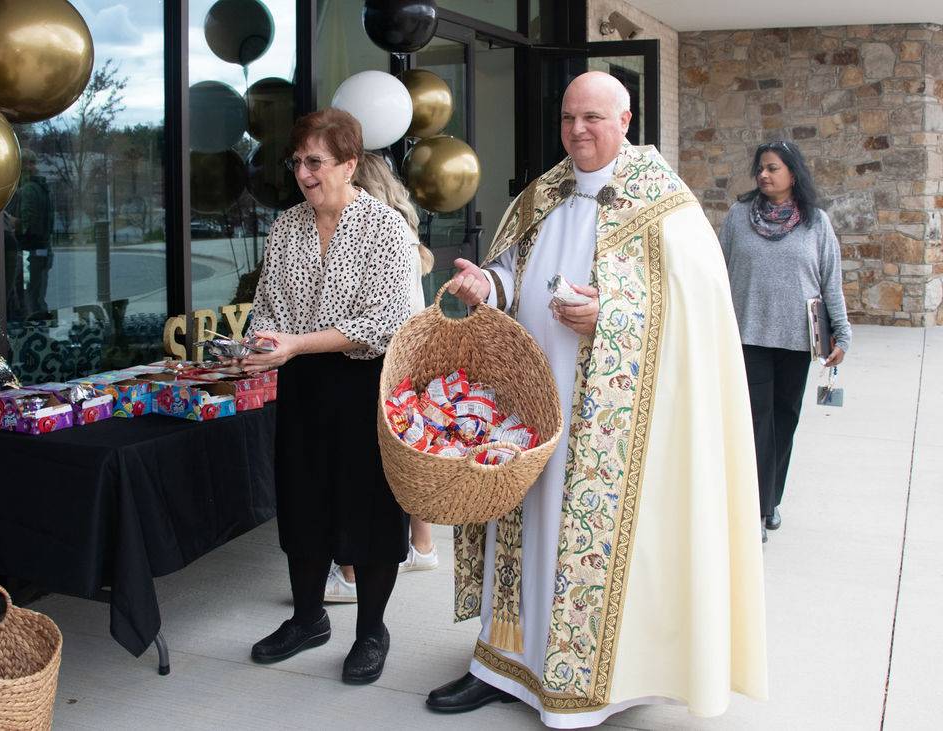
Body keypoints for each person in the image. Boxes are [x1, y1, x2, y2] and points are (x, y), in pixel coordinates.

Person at [426, 71, 768, 727]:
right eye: (568, 118)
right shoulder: (542, 195)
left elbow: (696, 318)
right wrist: (487, 287)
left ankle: (590, 683)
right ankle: (501, 664)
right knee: (518, 528)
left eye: (592, 118)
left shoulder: (665, 208)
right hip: (528, 406)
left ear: (626, 120)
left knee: (579, 542)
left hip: (610, 421)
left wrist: (608, 318)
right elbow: (512, 274)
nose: (577, 130)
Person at [236, 108, 414, 684]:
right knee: (303, 501)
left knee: (370, 509)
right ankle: (308, 618)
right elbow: (268, 306)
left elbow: (385, 323)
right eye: (297, 162)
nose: (304, 173)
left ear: (350, 164)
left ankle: (371, 631)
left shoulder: (385, 228)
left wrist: (294, 344)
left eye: (315, 161)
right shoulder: (286, 227)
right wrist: (260, 343)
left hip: (365, 383)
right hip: (303, 381)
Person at [719, 140, 851, 542]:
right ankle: (757, 510)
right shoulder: (738, 217)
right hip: (748, 336)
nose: (763, 175)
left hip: (797, 340)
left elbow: (830, 281)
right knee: (757, 422)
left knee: (784, 420)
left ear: (793, 174)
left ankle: (771, 499)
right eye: (760, 168)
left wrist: (842, 332)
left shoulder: (816, 222)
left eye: (772, 168)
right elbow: (718, 272)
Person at [322, 152, 439, 602]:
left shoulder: (372, 233)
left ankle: (351, 573)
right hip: (411, 354)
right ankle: (422, 546)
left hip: (380, 359)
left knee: (360, 465)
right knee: (403, 456)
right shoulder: (404, 233)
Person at [13, 152, 55, 318]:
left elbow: (27, 224)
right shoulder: (43, 188)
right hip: (42, 251)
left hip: (29, 253)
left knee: (28, 299)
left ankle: (33, 330)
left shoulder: (28, 190)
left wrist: (11, 222)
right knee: (37, 297)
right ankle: (40, 329)